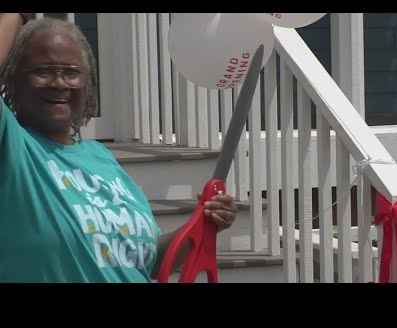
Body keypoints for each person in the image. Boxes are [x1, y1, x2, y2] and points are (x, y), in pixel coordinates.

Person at [0, 15, 238, 283]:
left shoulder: (100, 157)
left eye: (71, 72)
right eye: (43, 71)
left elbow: (147, 261)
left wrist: (203, 225)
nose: (59, 82)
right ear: (13, 79)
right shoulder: (11, 147)